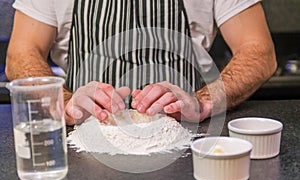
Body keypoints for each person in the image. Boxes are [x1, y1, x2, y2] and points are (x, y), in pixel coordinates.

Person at [5, 0, 276, 125]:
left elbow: (259, 51)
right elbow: (21, 53)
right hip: (83, 136)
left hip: (183, 136)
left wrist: (204, 101)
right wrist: (65, 104)